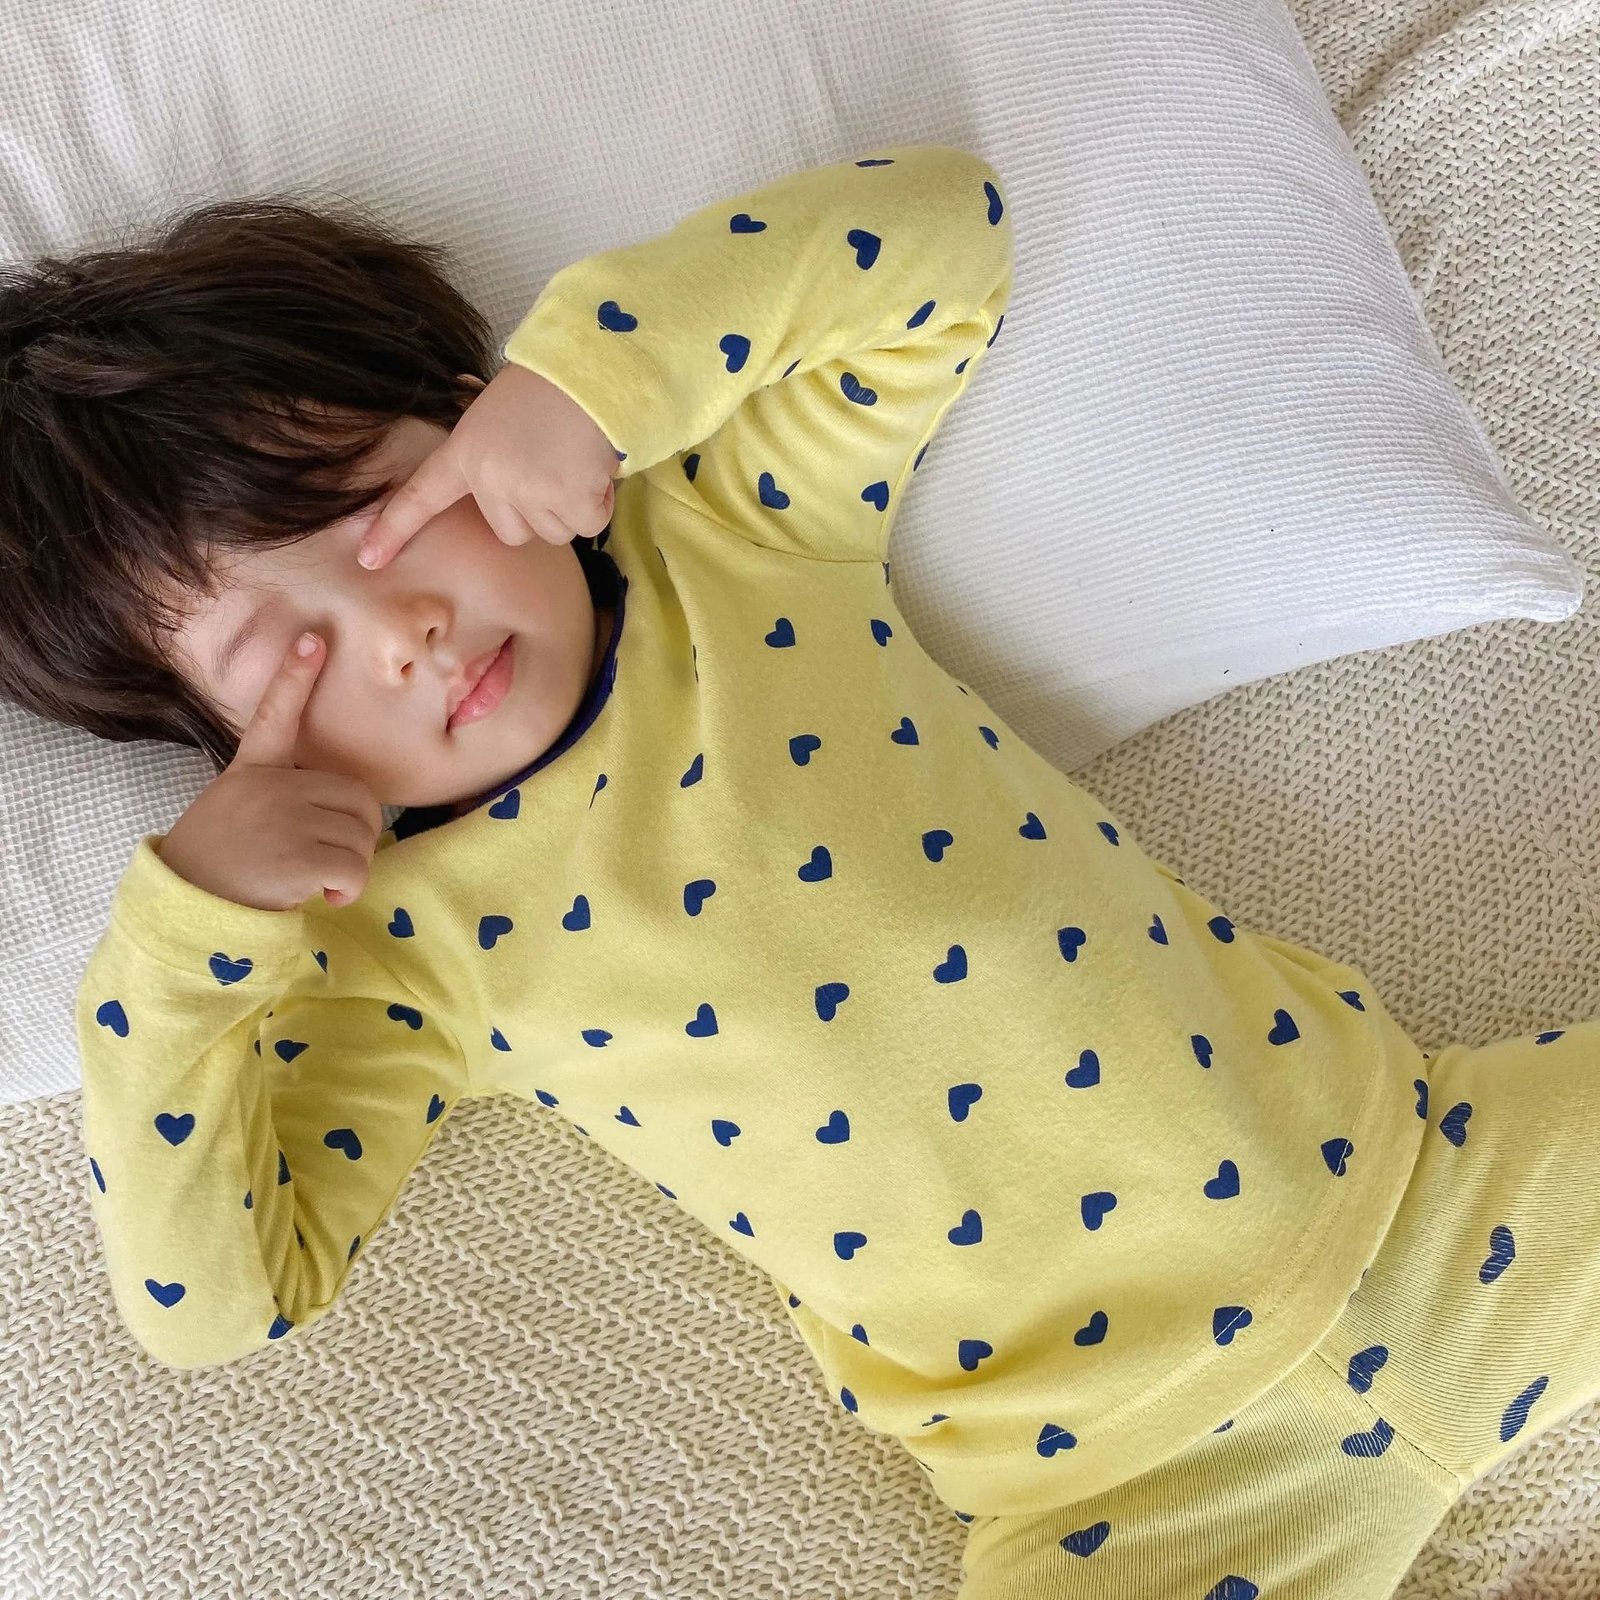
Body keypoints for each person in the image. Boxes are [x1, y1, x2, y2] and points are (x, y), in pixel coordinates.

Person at [3, 143, 1596, 1599]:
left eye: (384, 518)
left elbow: (945, 238)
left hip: (1436, 1196)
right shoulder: (381, 952)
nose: (398, 632)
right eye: (282, 654)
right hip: (1128, 1477)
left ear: (469, 425)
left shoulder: (732, 542)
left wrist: (595, 381)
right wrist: (189, 937)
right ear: (224, 746)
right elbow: (215, 1303)